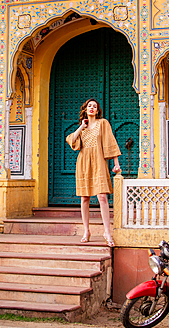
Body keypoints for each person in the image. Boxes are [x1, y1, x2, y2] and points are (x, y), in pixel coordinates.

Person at [66, 98, 121, 247]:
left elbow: (111, 142)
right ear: (85, 109)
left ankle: (107, 232)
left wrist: (116, 164)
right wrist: (81, 127)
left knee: (102, 197)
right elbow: (71, 141)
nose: (91, 108)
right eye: (89, 106)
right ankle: (86, 231)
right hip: (83, 164)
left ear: (97, 111)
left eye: (94, 107)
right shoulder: (82, 128)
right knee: (84, 198)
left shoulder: (103, 123)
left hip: (99, 163)